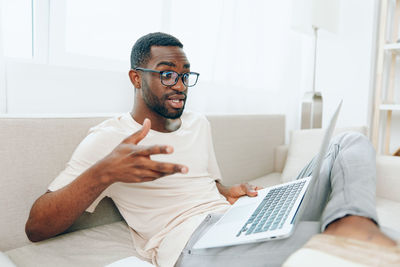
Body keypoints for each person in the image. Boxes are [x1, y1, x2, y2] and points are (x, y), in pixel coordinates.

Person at [25, 32, 397, 267]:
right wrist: (104, 172)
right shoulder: (111, 137)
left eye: (185, 75)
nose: (180, 84)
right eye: (167, 72)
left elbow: (207, 186)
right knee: (315, 245)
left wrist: (229, 193)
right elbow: (37, 226)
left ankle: (356, 223)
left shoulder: (200, 124)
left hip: (236, 219)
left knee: (349, 140)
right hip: (190, 242)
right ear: (136, 78)